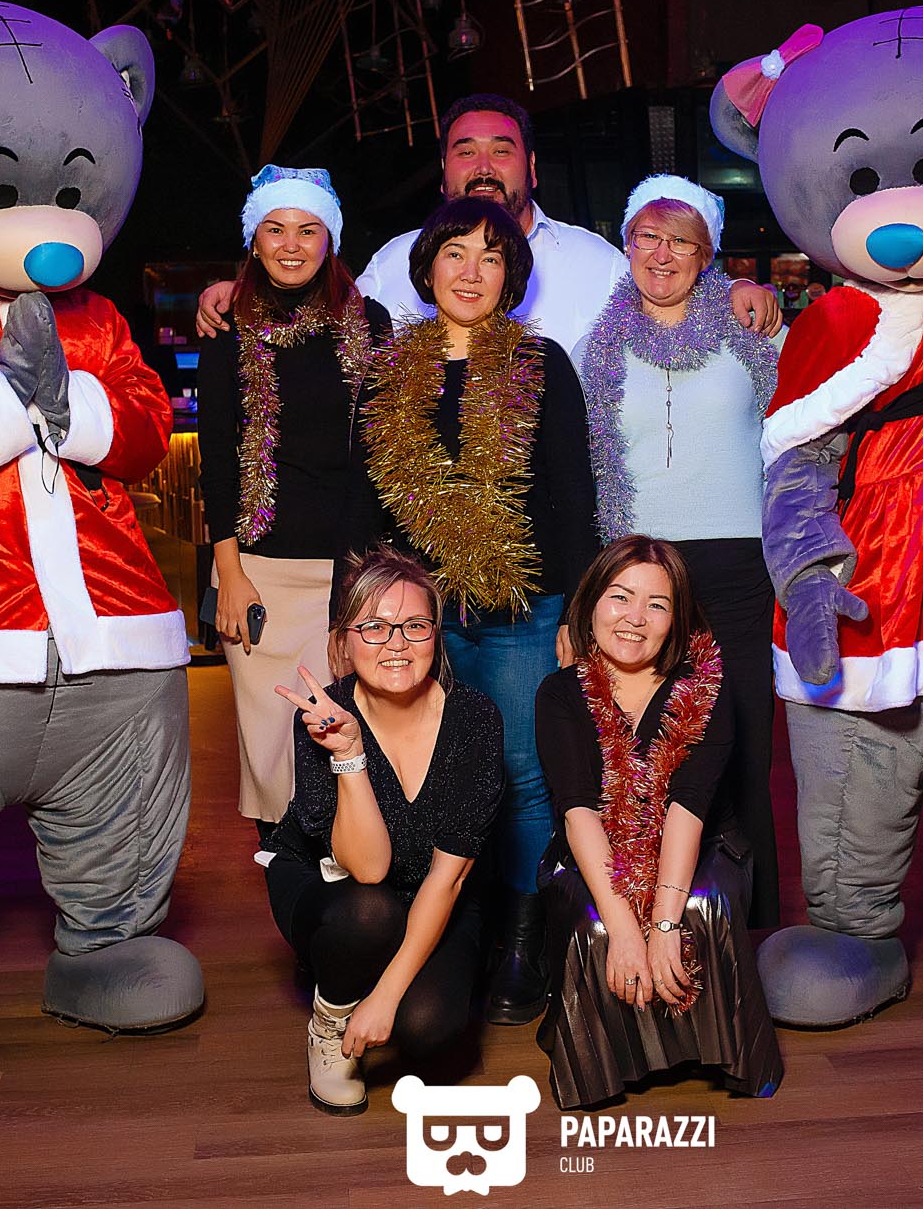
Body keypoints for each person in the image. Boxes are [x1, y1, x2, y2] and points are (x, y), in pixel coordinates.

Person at [360, 195, 597, 1025]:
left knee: (523, 771)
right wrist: (355, 614)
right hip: (415, 617)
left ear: (511, 276)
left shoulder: (542, 363)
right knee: (432, 774)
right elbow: (366, 504)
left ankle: (523, 943)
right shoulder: (389, 371)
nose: (471, 271)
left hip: (523, 610)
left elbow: (573, 495)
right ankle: (452, 934)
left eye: (491, 256)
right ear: (427, 268)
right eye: (455, 253)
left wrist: (574, 612)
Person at [577, 174, 783, 927]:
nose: (661, 254)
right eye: (647, 237)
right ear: (627, 244)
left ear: (707, 255)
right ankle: (649, 924)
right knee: (648, 753)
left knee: (746, 749)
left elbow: (806, 429)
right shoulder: (593, 347)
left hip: (738, 568)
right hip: (638, 573)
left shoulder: (752, 329)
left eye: (681, 242)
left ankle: (753, 929)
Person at [194, 94, 782, 354]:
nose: (483, 167)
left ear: (531, 167)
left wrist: (731, 290)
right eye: (464, 151)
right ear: (443, 173)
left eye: (501, 151)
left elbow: (668, 291)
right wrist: (247, 292)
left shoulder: (594, 260)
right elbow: (323, 322)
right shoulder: (397, 261)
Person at [533, 535, 783, 1109]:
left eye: (657, 604)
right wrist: (626, 928)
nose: (635, 618)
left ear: (677, 620)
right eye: (620, 597)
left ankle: (723, 1051)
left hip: (703, 843)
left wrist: (664, 923)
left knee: (701, 907)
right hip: (594, 848)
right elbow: (578, 811)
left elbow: (687, 809)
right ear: (592, 603)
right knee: (599, 925)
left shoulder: (705, 688)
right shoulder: (560, 694)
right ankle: (602, 1065)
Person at [262, 547, 504, 1115]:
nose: (396, 643)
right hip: (337, 889)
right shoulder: (325, 716)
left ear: (436, 636)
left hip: (434, 892)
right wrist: (348, 752)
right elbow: (368, 870)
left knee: (427, 1026)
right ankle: (330, 1018)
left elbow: (448, 880)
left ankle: (371, 977)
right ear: (343, 641)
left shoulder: (475, 719)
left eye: (415, 625)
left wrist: (388, 997)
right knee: (370, 913)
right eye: (373, 626)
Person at [198, 165, 395, 834]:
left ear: (329, 239)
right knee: (269, 746)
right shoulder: (228, 324)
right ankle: (286, 879)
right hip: (258, 574)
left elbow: (377, 455)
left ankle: (344, 873)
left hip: (346, 570)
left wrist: (364, 578)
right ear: (253, 240)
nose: (291, 244)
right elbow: (218, 458)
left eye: (308, 230)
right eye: (275, 229)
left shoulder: (368, 322)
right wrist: (229, 573)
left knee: (339, 738)